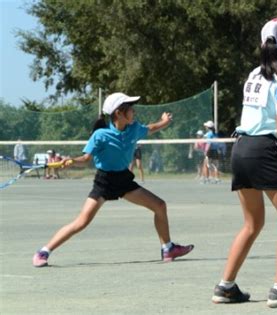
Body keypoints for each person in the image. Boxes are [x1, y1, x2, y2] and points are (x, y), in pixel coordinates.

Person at [212, 18, 277, 308]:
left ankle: (225, 287)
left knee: (252, 223)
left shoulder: (254, 74)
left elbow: (267, 120)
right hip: (263, 152)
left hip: (241, 149)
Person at [32, 92, 194, 267]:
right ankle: (43, 252)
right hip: (104, 181)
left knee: (160, 206)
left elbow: (152, 128)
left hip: (124, 180)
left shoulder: (134, 128)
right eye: (130, 109)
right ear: (119, 112)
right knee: (82, 222)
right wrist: (71, 161)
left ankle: (168, 248)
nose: (133, 112)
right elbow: (86, 160)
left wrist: (164, 121)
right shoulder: (100, 135)